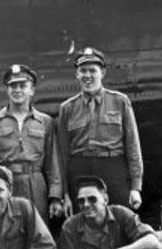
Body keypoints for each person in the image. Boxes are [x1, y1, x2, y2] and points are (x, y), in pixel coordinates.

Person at [0, 63, 65, 238]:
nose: (17, 90)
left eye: (23, 86)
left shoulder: (45, 122)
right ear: (7, 90)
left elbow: (53, 163)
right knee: (6, 233)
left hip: (36, 183)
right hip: (4, 185)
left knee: (38, 232)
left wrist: (55, 197)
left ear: (32, 90)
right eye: (13, 86)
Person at [57, 47, 144, 211]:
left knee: (118, 222)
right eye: (82, 71)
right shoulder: (67, 108)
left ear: (102, 73)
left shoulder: (120, 101)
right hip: (79, 172)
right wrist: (65, 194)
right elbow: (62, 156)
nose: (87, 76)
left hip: (113, 170)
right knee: (83, 225)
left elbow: (133, 146)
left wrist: (135, 188)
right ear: (77, 74)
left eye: (92, 70)